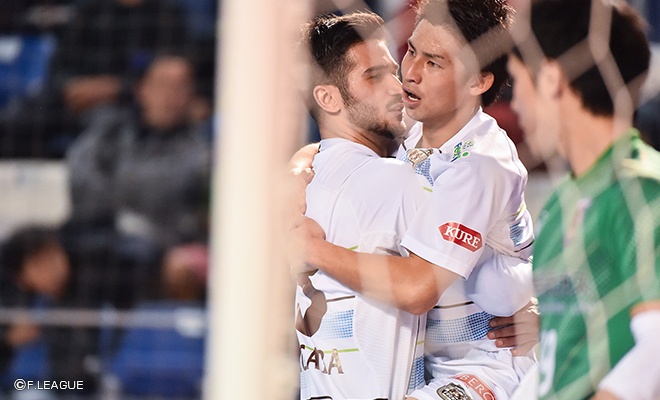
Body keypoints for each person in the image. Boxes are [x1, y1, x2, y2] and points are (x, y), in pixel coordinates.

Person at [293, 1, 538, 399]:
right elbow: (344, 134)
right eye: (411, 51)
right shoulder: (415, 124)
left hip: (488, 366)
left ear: (477, 82)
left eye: (434, 63)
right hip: (427, 366)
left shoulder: (480, 165)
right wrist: (297, 169)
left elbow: (417, 290)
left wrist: (312, 249)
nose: (410, 73)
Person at [506, 0, 660, 398]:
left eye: (516, 81)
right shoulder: (559, 205)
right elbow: (558, 359)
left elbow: (655, 352)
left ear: (550, 78)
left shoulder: (644, 191)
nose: (515, 104)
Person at [64, 55, 211, 309]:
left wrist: (122, 195)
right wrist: (119, 214)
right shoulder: (110, 131)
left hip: (164, 247)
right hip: (103, 237)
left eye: (180, 87)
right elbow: (80, 179)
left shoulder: (201, 149)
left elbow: (175, 195)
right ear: (142, 90)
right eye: (162, 84)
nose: (170, 95)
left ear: (191, 96)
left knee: (177, 265)